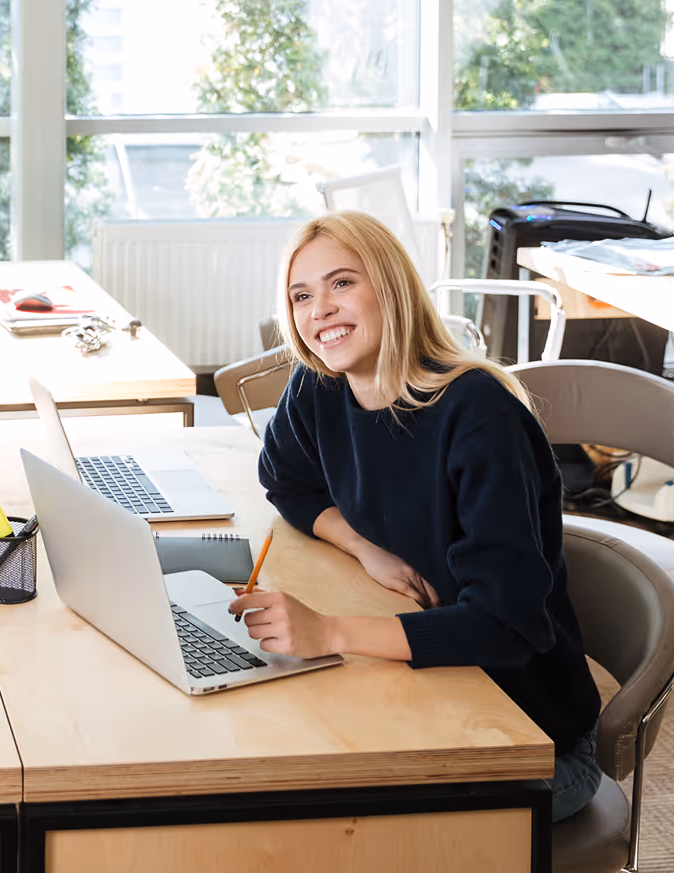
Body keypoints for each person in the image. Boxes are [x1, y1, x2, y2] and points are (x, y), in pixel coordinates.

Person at [233, 210, 603, 823]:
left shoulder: (479, 416)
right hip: (436, 685)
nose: (319, 309)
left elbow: (507, 627)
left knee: (323, 824)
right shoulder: (320, 386)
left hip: (529, 741)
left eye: (342, 283)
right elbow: (285, 479)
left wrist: (332, 633)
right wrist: (361, 545)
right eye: (302, 295)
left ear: (392, 287)